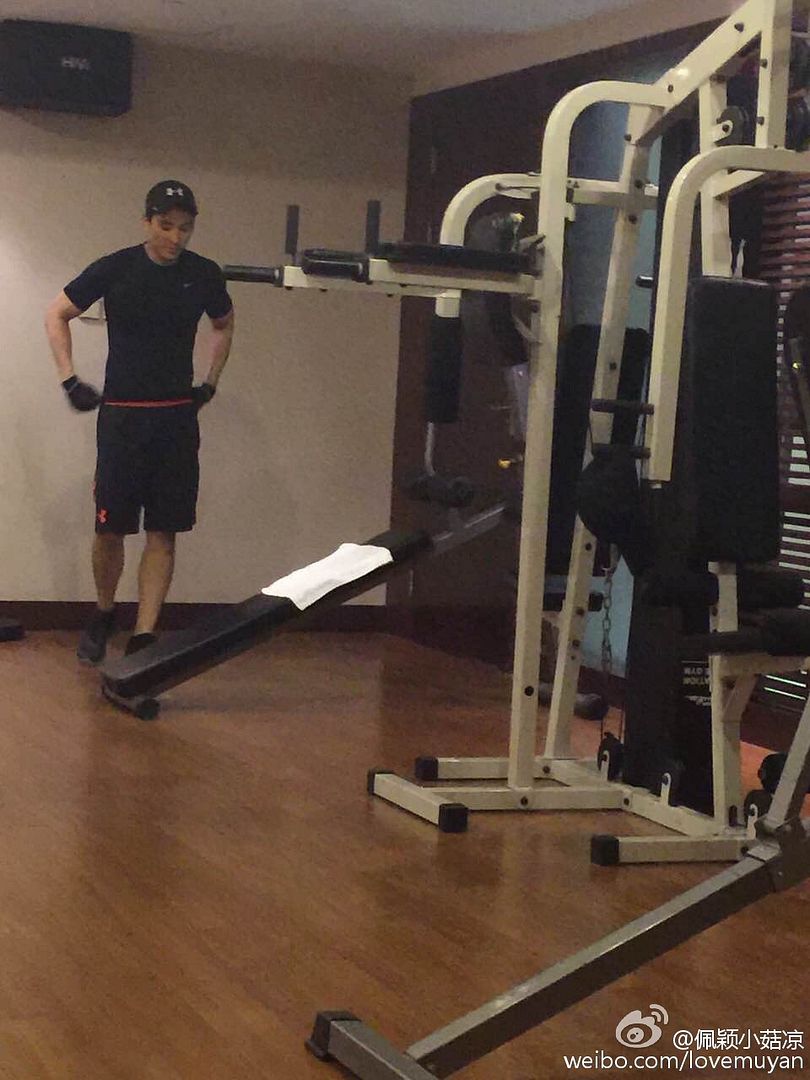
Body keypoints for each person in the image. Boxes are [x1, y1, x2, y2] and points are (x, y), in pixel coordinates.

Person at [45, 180, 235, 663]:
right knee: (110, 530)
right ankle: (105, 611)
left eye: (185, 228)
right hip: (123, 419)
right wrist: (70, 380)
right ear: (147, 222)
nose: (175, 237)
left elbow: (224, 322)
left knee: (163, 530)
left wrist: (209, 383)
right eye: (166, 226)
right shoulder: (117, 268)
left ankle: (145, 634)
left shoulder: (203, 274)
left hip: (175, 420)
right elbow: (57, 313)